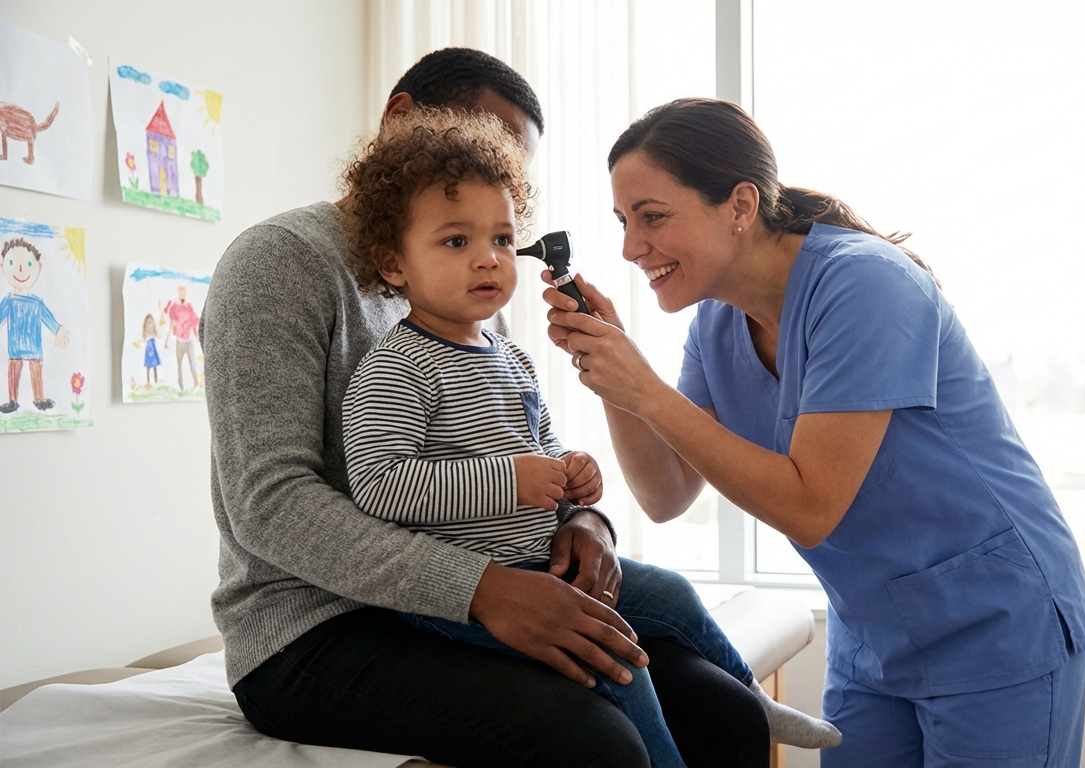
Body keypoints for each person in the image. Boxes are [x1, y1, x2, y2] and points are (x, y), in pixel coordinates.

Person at [202, 54, 769, 767]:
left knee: (725, 713)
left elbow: (523, 447)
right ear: (402, 120)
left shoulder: (471, 298)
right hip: (315, 627)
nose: (487, 236)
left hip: (462, 584)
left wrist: (584, 521)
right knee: (596, 741)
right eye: (475, 149)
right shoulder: (277, 263)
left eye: (500, 215)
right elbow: (271, 503)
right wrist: (481, 591)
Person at [543, 97, 1085, 768]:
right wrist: (613, 375)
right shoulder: (718, 326)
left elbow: (811, 507)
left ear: (741, 205)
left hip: (999, 627)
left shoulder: (865, 286)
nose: (633, 248)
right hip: (874, 637)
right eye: (624, 222)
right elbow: (665, 496)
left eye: (653, 217)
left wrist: (647, 391)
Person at [336, 107, 840, 768]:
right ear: (392, 263)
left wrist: (574, 487)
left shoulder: (509, 357)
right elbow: (378, 486)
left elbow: (539, 449)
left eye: (500, 239)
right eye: (456, 242)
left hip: (546, 564)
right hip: (464, 595)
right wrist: (514, 480)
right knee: (615, 668)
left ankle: (750, 699)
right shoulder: (396, 368)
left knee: (671, 594)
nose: (487, 259)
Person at [0, 237, 70, 414]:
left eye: (28, 264)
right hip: (15, 347)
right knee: (14, 370)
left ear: (38, 269)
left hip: (34, 346)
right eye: (12, 263)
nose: (21, 269)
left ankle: (39, 398)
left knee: (36, 369)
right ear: (3, 267)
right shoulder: (9, 300)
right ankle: (13, 400)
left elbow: (48, 318)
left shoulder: (37, 303)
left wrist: (58, 329)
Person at [163, 284, 200, 390]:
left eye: (184, 292)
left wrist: (198, 337)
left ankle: (196, 384)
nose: (182, 294)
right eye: (180, 292)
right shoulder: (174, 308)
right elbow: (171, 326)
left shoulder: (189, 307)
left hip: (188, 341)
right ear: (178, 293)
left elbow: (194, 323)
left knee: (192, 363)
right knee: (179, 364)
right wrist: (166, 341)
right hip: (179, 342)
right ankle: (181, 386)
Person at [141, 313, 160, 388]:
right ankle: (148, 382)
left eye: (151, 321)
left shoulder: (153, 330)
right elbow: (145, 338)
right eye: (148, 322)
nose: (150, 323)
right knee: (148, 367)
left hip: (153, 348)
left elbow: (156, 336)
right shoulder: (146, 331)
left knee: (154, 366)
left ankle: (156, 381)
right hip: (149, 349)